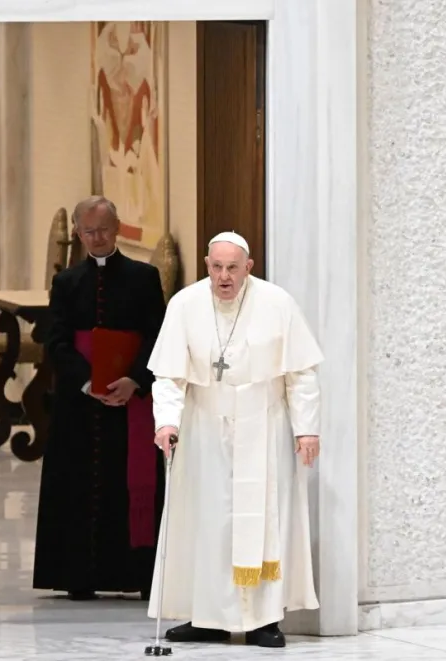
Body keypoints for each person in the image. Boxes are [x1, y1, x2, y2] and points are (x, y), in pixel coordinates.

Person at [145, 231, 323, 648]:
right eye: (216, 267)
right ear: (207, 265)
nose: (224, 277)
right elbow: (168, 376)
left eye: (233, 268)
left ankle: (263, 619)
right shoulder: (185, 304)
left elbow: (301, 374)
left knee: (265, 520)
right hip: (206, 424)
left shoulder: (277, 303)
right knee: (209, 522)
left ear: (249, 267)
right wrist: (166, 423)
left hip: (265, 423)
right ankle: (209, 617)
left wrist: (307, 428)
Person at [32, 196, 166, 601]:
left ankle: (137, 574)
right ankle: (79, 575)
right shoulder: (66, 283)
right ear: (77, 232)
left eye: (104, 229)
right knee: (78, 485)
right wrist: (88, 383)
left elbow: (158, 337)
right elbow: (55, 342)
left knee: (128, 488)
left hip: (133, 405)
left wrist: (135, 380)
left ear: (118, 227)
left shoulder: (144, 277)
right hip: (80, 402)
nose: (97, 237)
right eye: (88, 230)